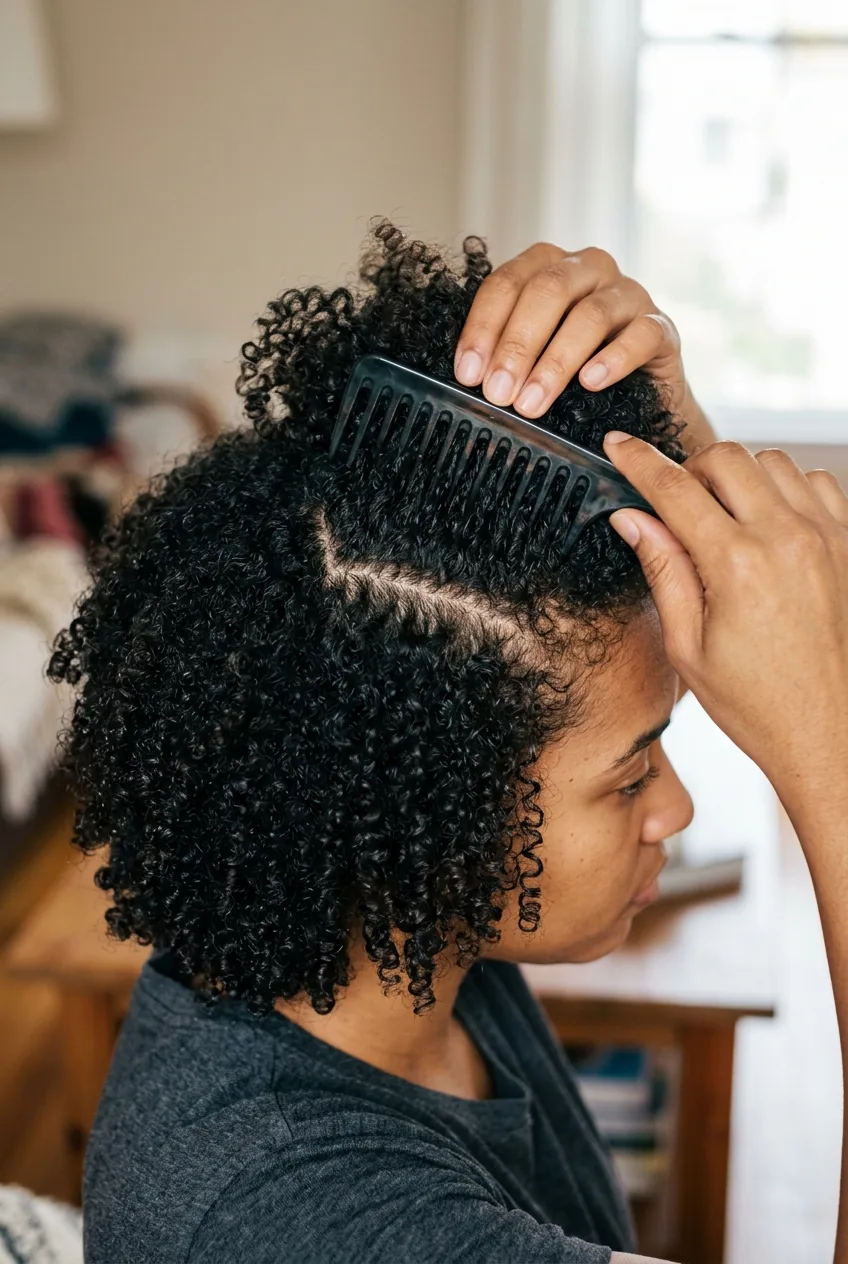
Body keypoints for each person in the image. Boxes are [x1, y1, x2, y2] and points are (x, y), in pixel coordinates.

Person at [50, 222, 848, 1264]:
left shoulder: (396, 947)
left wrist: (679, 466)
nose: (674, 810)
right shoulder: (287, 1220)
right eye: (626, 776)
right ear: (416, 815)